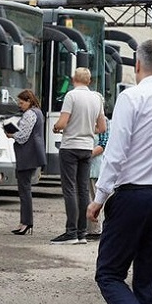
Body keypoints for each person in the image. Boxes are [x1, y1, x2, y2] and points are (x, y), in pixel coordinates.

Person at [88, 39, 152, 304]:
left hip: (133, 195)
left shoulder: (133, 96)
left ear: (137, 66)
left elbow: (115, 152)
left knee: (109, 273)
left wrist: (99, 197)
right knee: (147, 277)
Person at [51, 67, 107, 245]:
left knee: (69, 189)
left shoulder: (71, 96)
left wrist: (56, 128)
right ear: (89, 81)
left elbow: (62, 122)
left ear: (74, 79)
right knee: (83, 190)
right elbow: (102, 127)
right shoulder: (96, 98)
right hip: (86, 147)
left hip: (70, 146)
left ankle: (71, 231)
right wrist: (89, 129)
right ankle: (82, 232)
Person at [6, 89, 46, 235]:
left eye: (21, 102)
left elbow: (23, 136)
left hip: (27, 155)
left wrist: (11, 134)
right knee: (25, 189)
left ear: (29, 101)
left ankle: (26, 222)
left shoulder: (30, 114)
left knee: (24, 190)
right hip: (32, 154)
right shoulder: (38, 112)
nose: (19, 105)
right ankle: (24, 222)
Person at [87, 121, 108, 240]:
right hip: (90, 166)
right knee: (91, 197)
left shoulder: (103, 121)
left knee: (95, 197)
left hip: (96, 166)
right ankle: (92, 228)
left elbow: (104, 143)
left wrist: (87, 154)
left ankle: (96, 229)